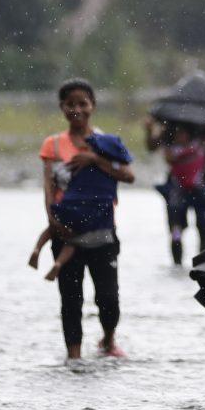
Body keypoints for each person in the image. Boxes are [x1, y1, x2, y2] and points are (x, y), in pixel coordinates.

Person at [37, 79, 136, 360]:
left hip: (102, 232)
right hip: (65, 231)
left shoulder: (105, 142)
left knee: (108, 298)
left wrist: (94, 160)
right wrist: (52, 221)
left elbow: (129, 176)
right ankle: (74, 356)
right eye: (70, 104)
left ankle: (108, 339)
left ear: (93, 106)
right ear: (62, 108)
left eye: (83, 103)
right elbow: (48, 187)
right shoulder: (53, 145)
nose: (77, 109)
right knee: (71, 299)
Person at [145, 119, 205, 265]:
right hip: (177, 192)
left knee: (204, 228)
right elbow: (152, 147)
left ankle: (204, 265)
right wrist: (151, 130)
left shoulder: (204, 139)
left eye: (184, 133)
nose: (181, 136)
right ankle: (177, 264)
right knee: (176, 230)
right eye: (178, 133)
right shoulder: (168, 142)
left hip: (200, 191)